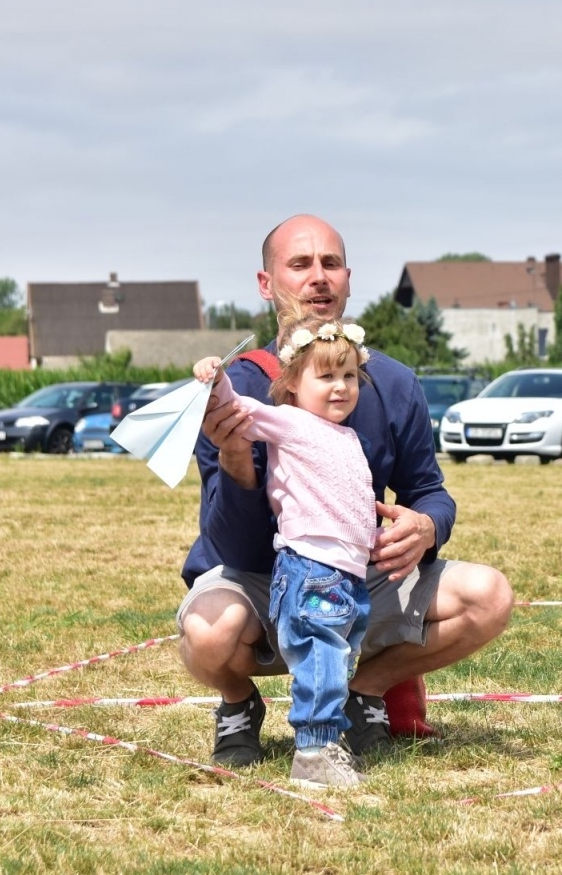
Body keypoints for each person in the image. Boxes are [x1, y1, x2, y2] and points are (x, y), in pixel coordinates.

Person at [177, 215, 514, 767]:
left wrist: (426, 526)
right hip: (260, 580)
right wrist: (236, 459)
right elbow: (231, 547)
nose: (318, 277)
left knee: (489, 597)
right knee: (209, 630)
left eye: (330, 263)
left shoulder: (394, 382)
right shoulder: (232, 393)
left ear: (348, 280)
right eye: (300, 264)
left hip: (353, 575)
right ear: (266, 284)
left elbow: (429, 491)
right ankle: (238, 702)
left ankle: (365, 692)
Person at [192, 314, 378, 788]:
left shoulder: (347, 436)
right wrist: (216, 378)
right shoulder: (292, 422)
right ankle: (314, 751)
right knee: (320, 654)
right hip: (313, 569)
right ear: (292, 382)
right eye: (326, 375)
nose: (341, 386)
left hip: (346, 573)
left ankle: (325, 743)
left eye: (349, 375)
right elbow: (238, 409)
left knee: (336, 658)